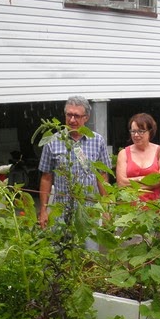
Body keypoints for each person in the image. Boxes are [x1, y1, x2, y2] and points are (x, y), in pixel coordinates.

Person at [38, 96, 111, 229]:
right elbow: (46, 178)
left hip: (89, 212)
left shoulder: (97, 141)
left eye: (76, 116)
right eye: (69, 115)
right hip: (61, 211)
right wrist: (43, 211)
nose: (72, 120)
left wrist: (106, 208)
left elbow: (102, 176)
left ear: (86, 117)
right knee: (60, 248)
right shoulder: (52, 141)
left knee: (89, 248)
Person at [115, 113, 160, 201]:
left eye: (141, 131)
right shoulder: (124, 153)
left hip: (156, 207)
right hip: (130, 208)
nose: (136, 135)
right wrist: (148, 180)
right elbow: (121, 183)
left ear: (150, 132)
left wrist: (132, 181)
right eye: (133, 131)